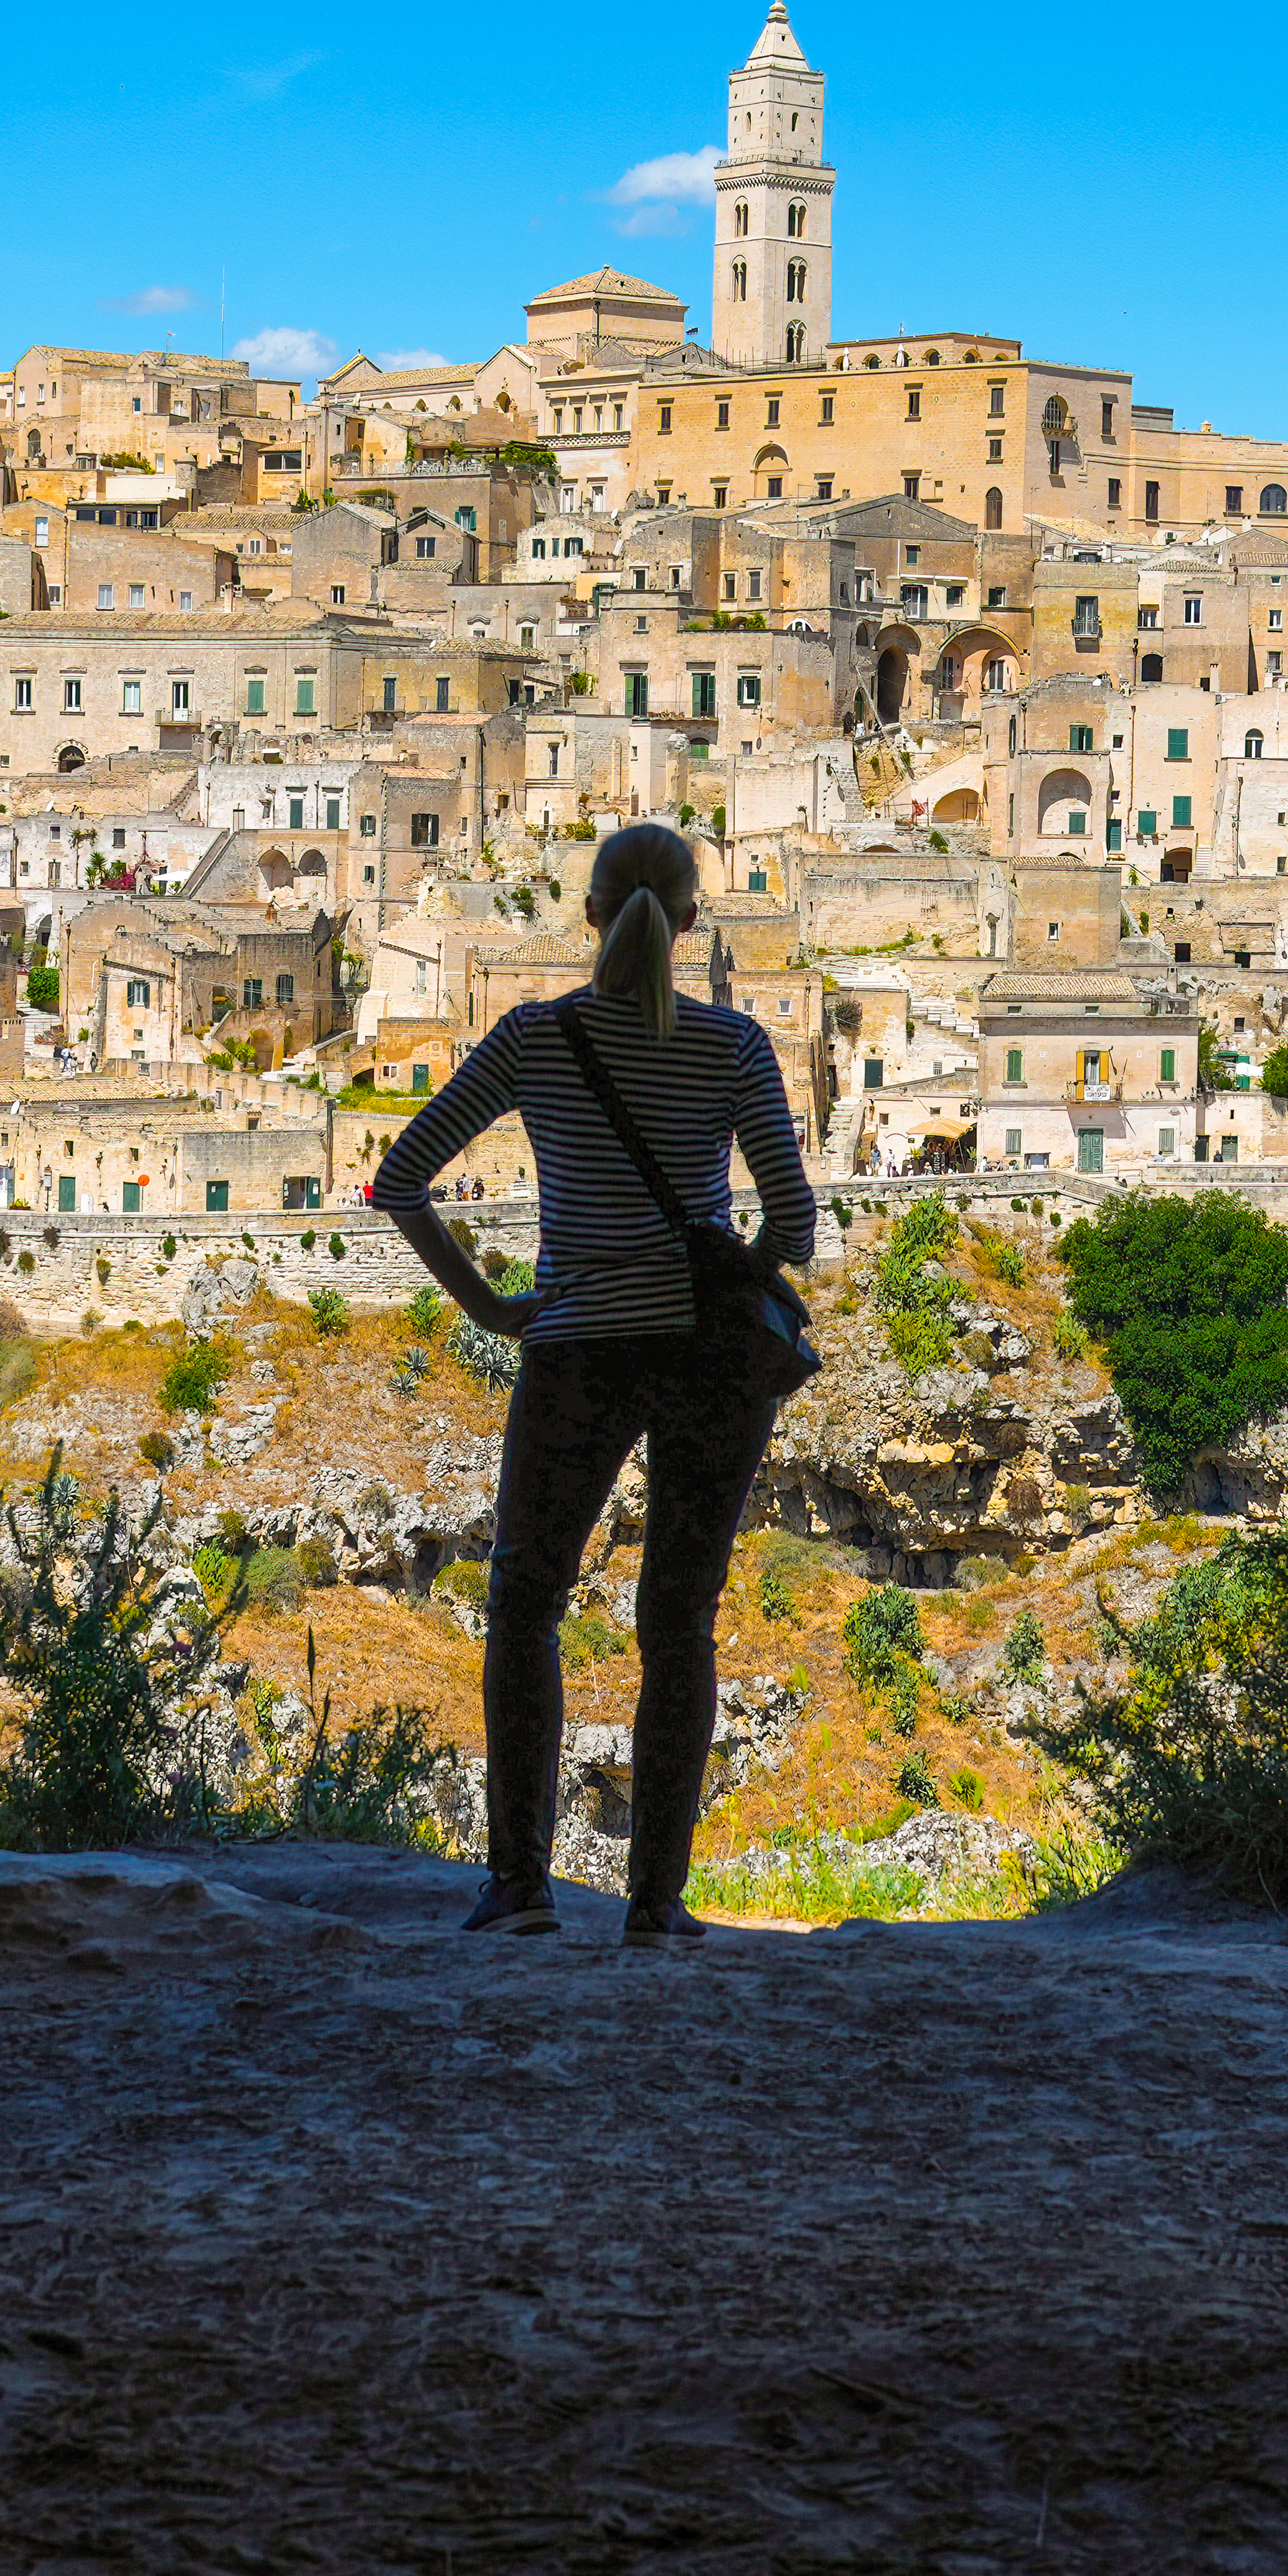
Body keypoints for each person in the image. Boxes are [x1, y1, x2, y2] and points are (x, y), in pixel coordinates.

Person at [364, 821, 816, 1942]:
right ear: (695, 924)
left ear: (591, 919)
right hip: (709, 1358)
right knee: (680, 1623)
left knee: (527, 1601)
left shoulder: (535, 1037)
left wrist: (493, 1306)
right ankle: (657, 1906)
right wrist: (718, 1267)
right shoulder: (738, 1047)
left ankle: (520, 1888)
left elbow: (403, 1177)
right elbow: (796, 1224)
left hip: (573, 1347)